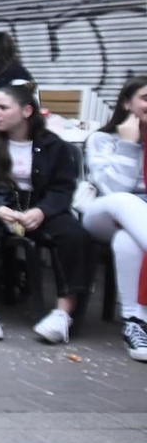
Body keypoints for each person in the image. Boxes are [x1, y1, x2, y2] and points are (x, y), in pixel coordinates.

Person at [0, 84, 92, 343]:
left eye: (3, 107)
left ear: (27, 110)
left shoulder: (52, 145)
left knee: (75, 236)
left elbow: (63, 187)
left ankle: (63, 314)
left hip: (38, 208)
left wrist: (43, 210)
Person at [82, 75, 147, 360]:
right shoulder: (102, 139)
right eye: (145, 97)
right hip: (103, 214)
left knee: (128, 240)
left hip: (136, 226)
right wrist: (129, 145)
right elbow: (112, 189)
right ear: (126, 102)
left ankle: (135, 322)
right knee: (124, 199)